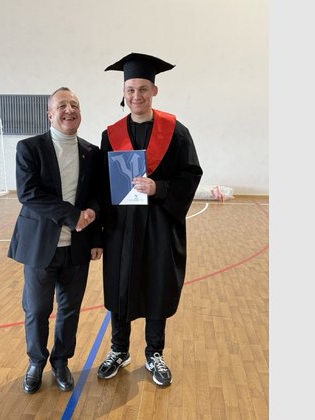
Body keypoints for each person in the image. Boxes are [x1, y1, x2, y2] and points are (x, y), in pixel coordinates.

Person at [97, 53, 203, 387]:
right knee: (121, 286)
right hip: (122, 227)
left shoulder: (176, 131)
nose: (136, 96)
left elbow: (191, 174)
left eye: (143, 89)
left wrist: (160, 188)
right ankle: (119, 349)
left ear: (154, 91)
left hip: (160, 224)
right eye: (130, 90)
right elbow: (101, 186)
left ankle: (155, 352)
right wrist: (99, 234)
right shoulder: (111, 135)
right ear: (123, 92)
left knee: (157, 285)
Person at [8, 87, 103, 394]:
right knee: (36, 310)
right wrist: (72, 216)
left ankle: (61, 362)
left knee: (70, 309)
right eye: (62, 105)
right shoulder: (29, 148)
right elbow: (29, 193)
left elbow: (98, 195)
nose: (69, 110)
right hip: (41, 247)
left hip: (77, 248)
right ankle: (36, 362)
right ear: (50, 114)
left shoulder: (92, 152)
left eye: (74, 104)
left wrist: (93, 224)